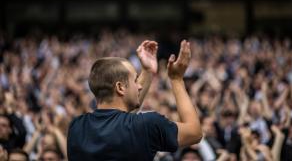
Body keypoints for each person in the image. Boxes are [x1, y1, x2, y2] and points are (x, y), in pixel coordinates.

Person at [67, 40, 202, 161]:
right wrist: (176, 79)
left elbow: (122, 124)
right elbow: (194, 132)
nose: (140, 86)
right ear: (120, 87)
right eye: (135, 80)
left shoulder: (76, 128)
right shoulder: (147, 125)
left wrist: (147, 71)